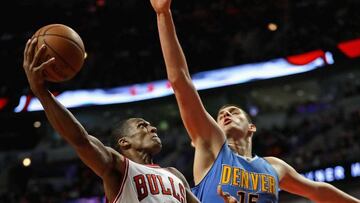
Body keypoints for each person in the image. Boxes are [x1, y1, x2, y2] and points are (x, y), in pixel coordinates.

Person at [149, 0, 360, 202]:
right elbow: (181, 82)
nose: (225, 114)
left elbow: (319, 192)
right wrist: (163, 14)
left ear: (251, 127)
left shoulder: (275, 167)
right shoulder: (211, 144)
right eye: (221, 115)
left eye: (234, 111)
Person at [22, 37, 202, 203]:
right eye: (142, 126)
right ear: (124, 142)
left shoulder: (174, 174)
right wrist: (42, 93)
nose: (153, 128)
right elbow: (80, 140)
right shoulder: (118, 168)